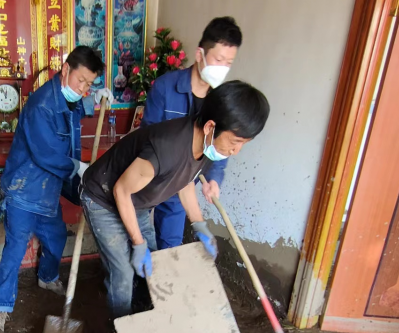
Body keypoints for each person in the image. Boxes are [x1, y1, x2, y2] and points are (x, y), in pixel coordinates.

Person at [81, 81, 269, 318]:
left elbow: (185, 180)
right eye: (235, 142)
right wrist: (137, 243)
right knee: (123, 272)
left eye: (243, 144)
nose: (236, 151)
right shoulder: (166, 148)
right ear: (211, 126)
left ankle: (145, 311)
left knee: (153, 263)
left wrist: (200, 225)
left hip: (137, 201)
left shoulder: (206, 145)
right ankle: (120, 325)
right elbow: (121, 191)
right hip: (103, 198)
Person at [0, 46, 110, 333]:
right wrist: (77, 166)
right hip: (25, 189)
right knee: (15, 249)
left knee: (55, 237)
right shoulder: (41, 105)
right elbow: (45, 154)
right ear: (65, 70)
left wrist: (94, 98)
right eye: (81, 80)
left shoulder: (65, 97)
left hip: (48, 189)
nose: (83, 88)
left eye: (89, 83)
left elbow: (73, 110)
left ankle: (47, 277)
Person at [141, 17, 242, 250]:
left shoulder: (220, 101)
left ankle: (161, 273)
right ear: (199, 54)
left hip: (181, 185)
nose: (222, 68)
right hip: (149, 177)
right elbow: (148, 137)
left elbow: (221, 144)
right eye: (218, 60)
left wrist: (214, 178)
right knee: (135, 239)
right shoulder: (165, 87)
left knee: (171, 245)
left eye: (228, 63)